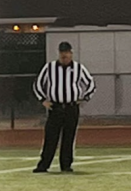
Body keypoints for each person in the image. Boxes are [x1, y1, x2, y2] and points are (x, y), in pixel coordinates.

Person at [32, 41, 96, 173]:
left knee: (69, 137)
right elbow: (38, 84)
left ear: (71, 53)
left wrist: (85, 98)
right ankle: (44, 164)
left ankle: (66, 165)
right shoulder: (49, 67)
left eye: (66, 53)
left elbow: (91, 84)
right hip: (55, 107)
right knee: (50, 136)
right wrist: (43, 100)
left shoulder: (79, 68)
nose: (64, 56)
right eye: (62, 53)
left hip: (71, 107)